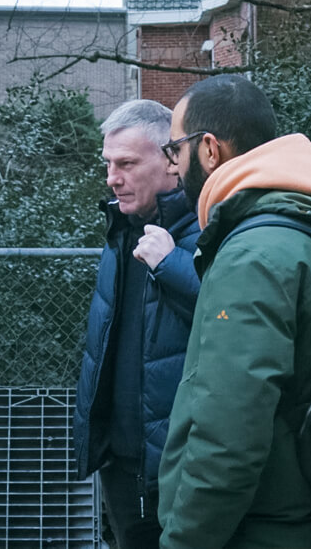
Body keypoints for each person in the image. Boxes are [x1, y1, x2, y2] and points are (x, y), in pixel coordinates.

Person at [157, 74, 311, 549]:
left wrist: (184, 540)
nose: (172, 168)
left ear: (208, 149)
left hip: (265, 531)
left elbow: (229, 438)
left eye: (174, 150)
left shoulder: (253, 256)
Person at [74, 99, 202, 549]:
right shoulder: (120, 231)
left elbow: (229, 318)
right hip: (121, 465)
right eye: (108, 163)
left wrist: (170, 265)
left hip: (182, 467)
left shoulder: (210, 229)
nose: (112, 177)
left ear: (172, 161)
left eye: (126, 163)